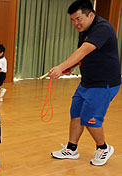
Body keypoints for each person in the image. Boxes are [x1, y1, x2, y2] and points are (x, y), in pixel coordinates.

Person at [49, 0, 121, 166]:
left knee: (90, 118)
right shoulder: (85, 29)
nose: (75, 24)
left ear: (91, 14)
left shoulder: (103, 28)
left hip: (104, 83)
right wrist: (70, 67)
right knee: (76, 112)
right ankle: (72, 148)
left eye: (78, 19)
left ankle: (103, 148)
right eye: (72, 20)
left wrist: (61, 67)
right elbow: (84, 55)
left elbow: (84, 50)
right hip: (87, 81)